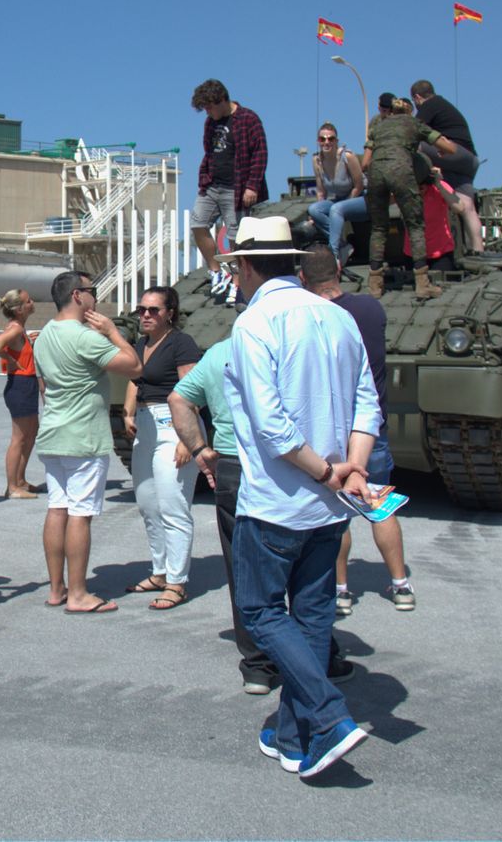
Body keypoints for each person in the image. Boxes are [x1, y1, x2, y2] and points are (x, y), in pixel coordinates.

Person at [219, 215, 381, 778]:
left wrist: (326, 472)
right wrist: (352, 468)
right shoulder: (338, 316)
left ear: (244, 266)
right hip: (331, 506)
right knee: (311, 617)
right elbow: (367, 404)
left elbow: (273, 428)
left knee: (262, 612)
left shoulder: (254, 323)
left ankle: (331, 715)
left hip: (278, 500)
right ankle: (295, 735)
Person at [169, 338, 356, 695]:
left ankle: (258, 664)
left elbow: (179, 398)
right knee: (308, 570)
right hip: (300, 465)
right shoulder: (297, 347)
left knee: (245, 569)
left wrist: (200, 450)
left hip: (234, 465)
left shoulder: (220, 351)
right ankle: (317, 658)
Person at [300, 246, 416, 614]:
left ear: (303, 278)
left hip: (331, 430)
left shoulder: (309, 315)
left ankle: (341, 590)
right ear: (339, 269)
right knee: (379, 505)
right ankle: (401, 584)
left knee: (337, 512)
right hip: (371, 428)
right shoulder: (370, 308)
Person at [35, 270, 142, 614]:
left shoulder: (45, 334)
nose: (95, 297)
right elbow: (133, 366)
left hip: (53, 432)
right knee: (80, 514)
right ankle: (79, 594)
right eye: (91, 291)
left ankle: (57, 588)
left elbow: (44, 386)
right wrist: (112, 332)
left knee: (57, 508)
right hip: (83, 435)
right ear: (78, 296)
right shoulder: (84, 337)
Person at [122, 285, 201, 611]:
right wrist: (128, 411)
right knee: (148, 504)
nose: (146, 315)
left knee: (173, 507)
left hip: (173, 426)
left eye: (153, 310)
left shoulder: (181, 343)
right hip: (147, 426)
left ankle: (177, 581)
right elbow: (133, 378)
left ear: (170, 312)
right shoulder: (142, 344)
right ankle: (159, 571)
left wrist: (188, 439)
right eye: (142, 309)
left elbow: (192, 390)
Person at [362, 97, 459, 299]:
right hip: (401, 172)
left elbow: (365, 164)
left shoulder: (378, 126)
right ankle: (422, 284)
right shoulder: (413, 123)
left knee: (379, 228)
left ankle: (374, 286)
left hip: (376, 174)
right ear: (408, 112)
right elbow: (450, 148)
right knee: (415, 225)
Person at [189, 79, 268, 293]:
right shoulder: (210, 123)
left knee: (235, 236)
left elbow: (260, 154)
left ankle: (237, 282)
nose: (207, 112)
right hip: (212, 184)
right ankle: (216, 271)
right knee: (197, 223)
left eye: (209, 107)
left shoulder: (248, 119)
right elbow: (209, 151)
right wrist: (205, 177)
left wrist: (252, 186)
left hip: (238, 188)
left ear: (222, 100)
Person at [409, 80, 483, 253]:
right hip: (470, 160)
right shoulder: (444, 105)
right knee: (468, 207)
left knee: (414, 145)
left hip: (456, 152)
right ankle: (479, 251)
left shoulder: (430, 104)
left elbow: (412, 130)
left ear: (417, 97)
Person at [0, 289, 41, 501]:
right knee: (19, 438)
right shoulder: (16, 328)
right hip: (20, 384)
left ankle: (20, 479)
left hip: (25, 383)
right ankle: (12, 486)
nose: (32, 302)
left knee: (31, 432)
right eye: (29, 301)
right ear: (19, 309)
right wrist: (9, 360)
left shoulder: (20, 329)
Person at [307, 123, 368, 266]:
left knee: (337, 209)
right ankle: (342, 244)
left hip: (361, 199)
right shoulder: (317, 161)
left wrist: (345, 205)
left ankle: (333, 256)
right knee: (314, 209)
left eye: (330, 139)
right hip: (340, 201)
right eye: (322, 139)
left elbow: (358, 186)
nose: (326, 142)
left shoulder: (347, 157)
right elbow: (321, 191)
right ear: (318, 141)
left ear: (336, 141)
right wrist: (313, 216)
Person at [401, 160, 464, 274]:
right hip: (413, 252)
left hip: (440, 252)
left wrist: (439, 183)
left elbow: (459, 208)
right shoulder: (406, 190)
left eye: (422, 185)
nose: (420, 188)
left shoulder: (438, 188)